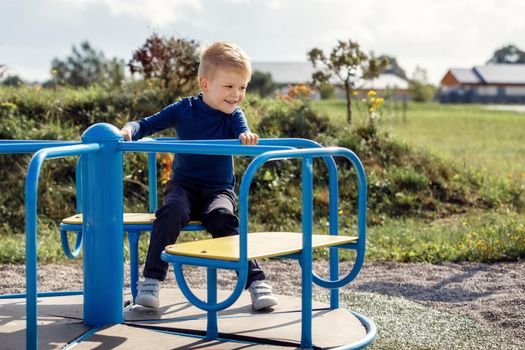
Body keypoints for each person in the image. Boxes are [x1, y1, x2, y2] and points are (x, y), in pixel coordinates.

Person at [120, 42, 278, 311]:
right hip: (183, 185)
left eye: (242, 87)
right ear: (204, 84)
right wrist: (128, 130)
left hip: (218, 190)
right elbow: (146, 124)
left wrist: (246, 137)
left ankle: (256, 282)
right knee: (171, 212)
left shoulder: (233, 116)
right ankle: (152, 281)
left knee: (222, 218)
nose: (236, 95)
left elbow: (243, 131)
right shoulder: (184, 109)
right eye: (229, 86)